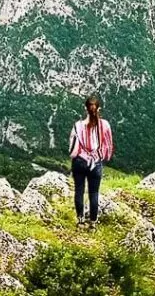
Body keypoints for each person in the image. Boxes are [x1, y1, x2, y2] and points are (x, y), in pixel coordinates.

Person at [68, 93, 113, 227]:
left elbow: (72, 147)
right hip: (96, 162)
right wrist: (102, 156)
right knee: (94, 193)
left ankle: (80, 220)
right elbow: (108, 145)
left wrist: (77, 155)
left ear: (85, 108)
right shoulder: (104, 125)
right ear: (98, 109)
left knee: (79, 191)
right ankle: (93, 222)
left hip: (80, 162)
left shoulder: (78, 125)